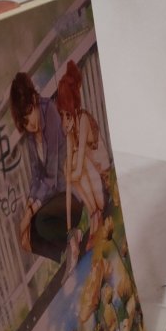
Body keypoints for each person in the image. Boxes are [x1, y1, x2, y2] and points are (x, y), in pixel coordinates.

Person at [10, 72, 83, 264]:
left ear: (34, 100)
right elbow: (36, 174)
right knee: (29, 238)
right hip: (54, 199)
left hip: (71, 192)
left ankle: (72, 238)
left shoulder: (49, 112)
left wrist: (30, 213)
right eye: (24, 122)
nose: (30, 124)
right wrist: (29, 205)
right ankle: (69, 250)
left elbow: (52, 175)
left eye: (29, 113)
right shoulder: (31, 134)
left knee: (41, 222)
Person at [56, 61, 110, 243]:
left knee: (78, 163)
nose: (65, 122)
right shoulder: (71, 133)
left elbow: (78, 171)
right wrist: (68, 227)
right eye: (62, 116)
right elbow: (70, 181)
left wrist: (68, 175)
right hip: (94, 190)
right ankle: (94, 214)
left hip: (104, 181)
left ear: (75, 109)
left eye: (67, 115)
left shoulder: (84, 120)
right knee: (68, 164)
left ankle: (97, 212)